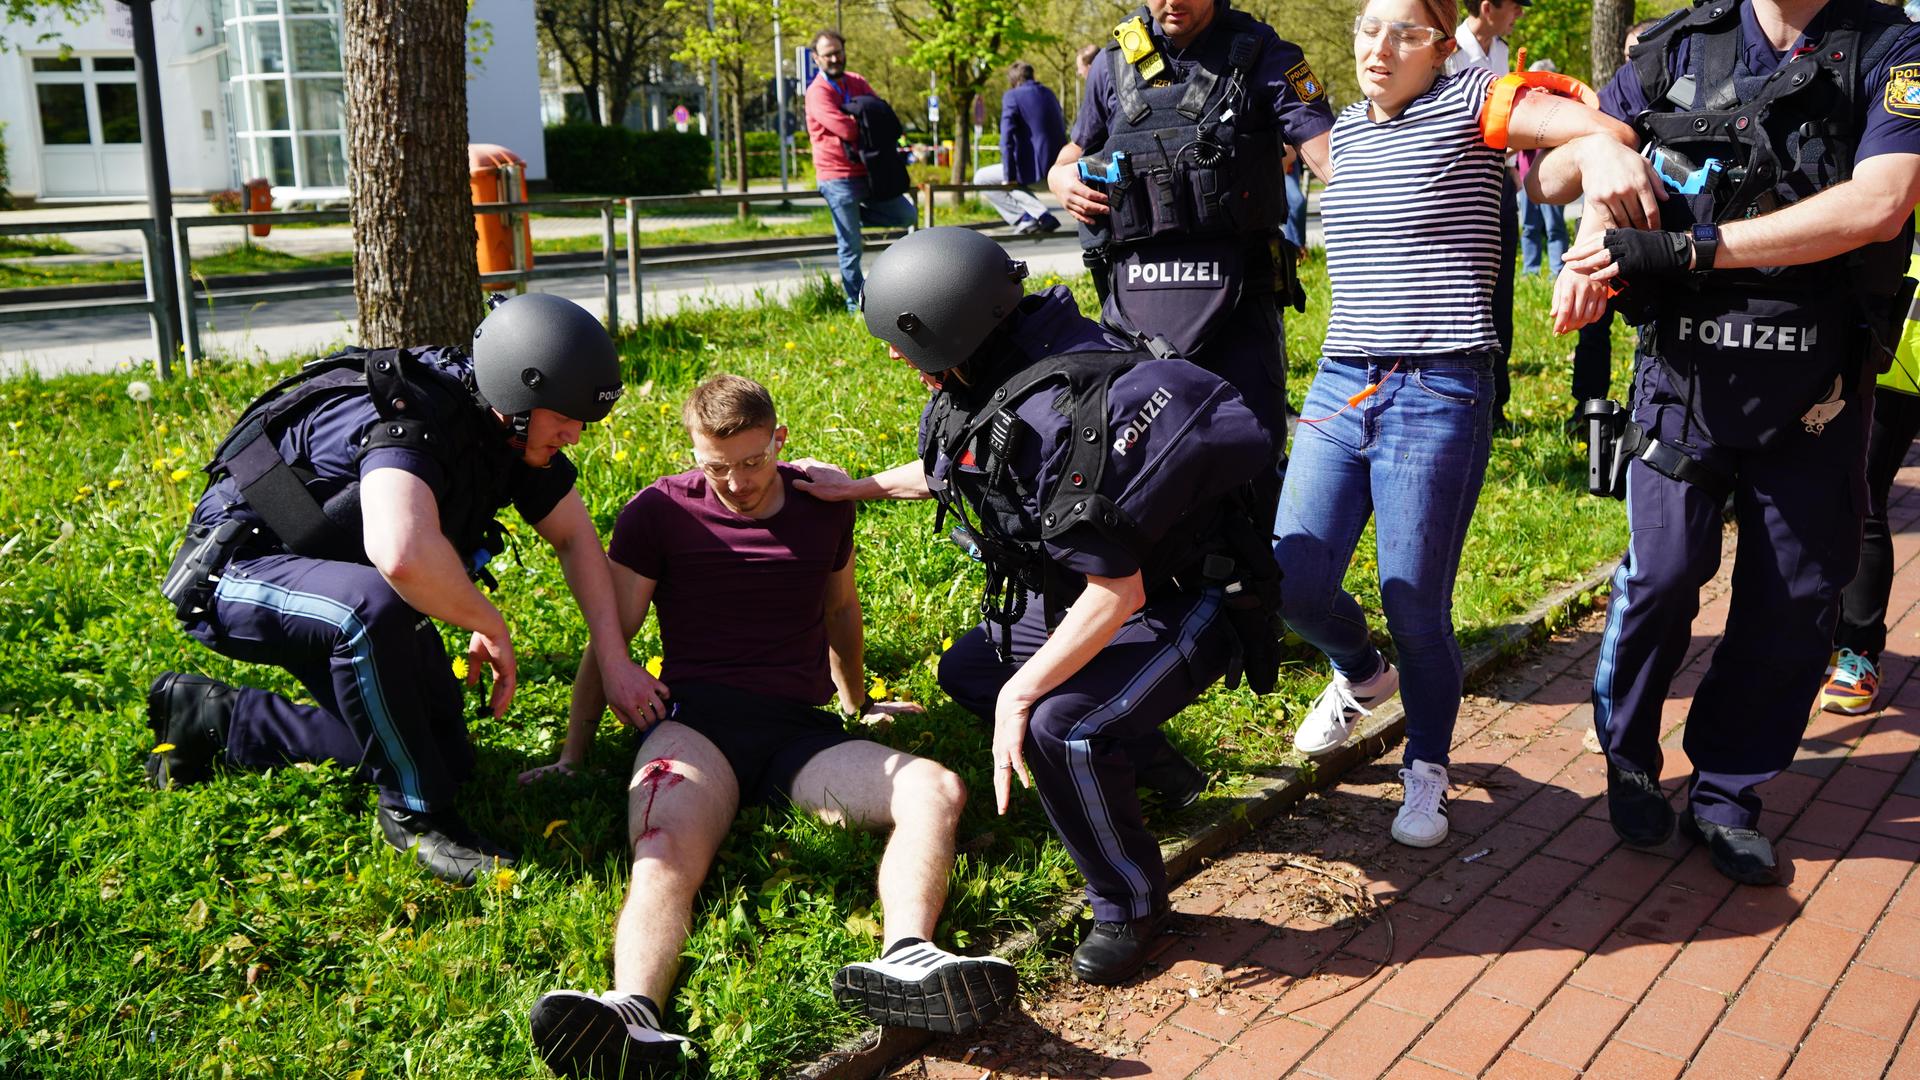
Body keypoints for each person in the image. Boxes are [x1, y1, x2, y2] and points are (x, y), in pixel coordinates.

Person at [800, 227, 1279, 985]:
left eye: (904, 340)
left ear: (953, 326)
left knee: (1063, 725)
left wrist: (1021, 696)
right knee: (971, 670)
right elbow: (973, 464)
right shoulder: (1006, 361)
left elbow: (1118, 592)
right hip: (1103, 592)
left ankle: (1130, 905)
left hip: (1188, 601)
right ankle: (1158, 768)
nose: (894, 355)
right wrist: (854, 488)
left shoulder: (1064, 412)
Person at [526, 375, 1015, 1077]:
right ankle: (633, 1012)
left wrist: (857, 703)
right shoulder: (657, 512)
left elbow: (840, 610)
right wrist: (575, 752)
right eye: (716, 467)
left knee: (936, 790)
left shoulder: (821, 506)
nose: (737, 483)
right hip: (694, 726)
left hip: (799, 732)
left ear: (779, 440)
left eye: (753, 461)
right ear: (693, 452)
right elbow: (610, 642)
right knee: (662, 846)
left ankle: (909, 956)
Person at [1536, 0, 1920, 885]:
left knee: (1793, 598)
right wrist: (1598, 150)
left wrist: (1694, 249)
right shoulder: (1681, 44)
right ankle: (1630, 759)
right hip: (1686, 378)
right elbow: (1546, 178)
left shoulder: (1894, 49)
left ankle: (1728, 791)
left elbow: (1881, 203)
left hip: (1819, 388)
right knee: (1663, 575)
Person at [146, 294, 664, 885]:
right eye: (566, 417)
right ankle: (415, 815)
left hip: (329, 575)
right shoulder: (412, 418)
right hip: (237, 572)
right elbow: (400, 554)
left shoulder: (505, 432)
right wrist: (488, 622)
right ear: (517, 396)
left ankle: (214, 717)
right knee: (373, 611)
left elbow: (575, 540)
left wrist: (615, 659)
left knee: (444, 757)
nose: (574, 435)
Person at [1276, 0, 1632, 850]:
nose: (1379, 47)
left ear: (1440, 46)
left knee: (1414, 603)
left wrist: (1591, 236)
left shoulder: (1477, 98)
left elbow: (1603, 133)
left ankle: (1427, 765)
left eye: (1404, 33)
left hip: (1439, 388)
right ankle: (1361, 674)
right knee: (1291, 580)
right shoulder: (1346, 131)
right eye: (1368, 28)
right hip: (1342, 379)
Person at [1046, 0, 1336, 446]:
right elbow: (1075, 150)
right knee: (1146, 464)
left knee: (1249, 453)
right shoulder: (1113, 63)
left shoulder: (1265, 53)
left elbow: (1332, 160)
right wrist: (1059, 177)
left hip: (1241, 315)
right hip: (1135, 324)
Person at [1823, 275, 1920, 716]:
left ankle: (1858, 651)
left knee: (1864, 498)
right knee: (1835, 494)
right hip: (1855, 332)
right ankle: (1834, 637)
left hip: (1899, 351)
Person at [1568, 18, 1664, 434]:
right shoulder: (1611, 110)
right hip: (1605, 233)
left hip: (1654, 238)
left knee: (1650, 329)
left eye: (1641, 55)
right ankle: (1587, 410)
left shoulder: (1680, 104)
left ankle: (1642, 412)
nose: (1634, 65)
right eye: (1628, 56)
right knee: (1594, 325)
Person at [1447, 0, 1529, 428]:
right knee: (1466, 294)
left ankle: (1496, 403)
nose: (1520, 14)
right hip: (1459, 188)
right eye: (1515, 5)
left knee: (1501, 297)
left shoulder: (1501, 52)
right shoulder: (1448, 51)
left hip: (1498, 183)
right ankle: (1462, 400)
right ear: (1486, 6)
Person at [806, 29, 919, 311]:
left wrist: (866, 121)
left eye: (838, 52)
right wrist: (865, 120)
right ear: (816, 58)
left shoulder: (857, 81)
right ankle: (856, 303)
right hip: (837, 175)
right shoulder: (817, 92)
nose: (835, 58)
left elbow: (881, 114)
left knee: (906, 214)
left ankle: (850, 219)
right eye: (828, 54)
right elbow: (846, 128)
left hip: (869, 171)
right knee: (851, 246)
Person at [971, 62, 1067, 234]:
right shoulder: (1049, 93)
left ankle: (1028, 217)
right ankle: (1039, 216)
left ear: (1013, 80)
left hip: (1033, 173)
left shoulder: (1012, 96)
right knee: (1012, 178)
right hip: (1058, 170)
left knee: (982, 178)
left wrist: (1009, 176)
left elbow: (1006, 139)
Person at [1514, 60, 1573, 275]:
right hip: (1526, 174)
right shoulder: (1525, 101)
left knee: (1554, 226)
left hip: (1553, 176)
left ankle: (1558, 271)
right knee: (1529, 227)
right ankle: (1531, 271)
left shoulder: (1563, 103)